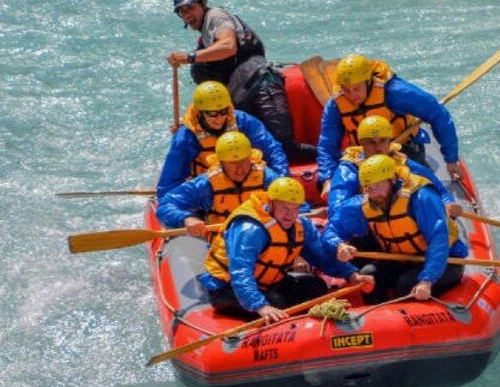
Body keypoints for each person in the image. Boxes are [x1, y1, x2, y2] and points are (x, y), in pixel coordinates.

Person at [167, 0, 316, 163]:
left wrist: (190, 57)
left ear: (203, 3)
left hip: (262, 88)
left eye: (190, 8)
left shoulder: (215, 17)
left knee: (284, 149)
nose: (188, 15)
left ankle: (338, 159)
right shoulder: (204, 40)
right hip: (241, 102)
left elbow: (229, 46)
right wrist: (185, 126)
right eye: (182, 12)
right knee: (245, 155)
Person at [199, 177, 373, 323]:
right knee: (276, 303)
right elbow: (240, 272)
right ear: (272, 204)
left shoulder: (301, 225)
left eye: (294, 208)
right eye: (283, 207)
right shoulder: (250, 230)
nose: (289, 214)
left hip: (269, 283)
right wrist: (260, 306)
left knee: (316, 286)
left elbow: (321, 257)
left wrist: (352, 275)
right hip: (226, 287)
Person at [322, 155, 468, 304]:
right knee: (368, 276)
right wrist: (339, 245)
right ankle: (377, 319)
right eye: (369, 188)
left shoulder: (421, 197)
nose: (374, 194)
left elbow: (439, 240)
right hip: (403, 260)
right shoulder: (365, 203)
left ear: (392, 180)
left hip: (445, 261)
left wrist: (427, 280)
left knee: (406, 284)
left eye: (379, 186)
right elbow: (331, 231)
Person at [317, 53, 461, 195]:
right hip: (365, 154)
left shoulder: (396, 92)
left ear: (368, 82)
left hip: (403, 149)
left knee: (411, 190)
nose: (352, 95)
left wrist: (451, 159)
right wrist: (328, 178)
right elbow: (327, 144)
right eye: (346, 90)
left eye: (357, 89)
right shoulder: (336, 104)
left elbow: (438, 115)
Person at [156, 80, 289, 200]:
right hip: (210, 192)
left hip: (250, 183)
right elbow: (170, 180)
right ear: (199, 112)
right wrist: (176, 211)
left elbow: (272, 150)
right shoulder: (186, 136)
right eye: (211, 113)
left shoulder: (244, 122)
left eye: (223, 111)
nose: (219, 118)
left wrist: (283, 183)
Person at [327, 114, 461, 217]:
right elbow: (337, 209)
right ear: (361, 143)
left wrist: (448, 203)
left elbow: (440, 190)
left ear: (389, 142)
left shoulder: (403, 163)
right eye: (370, 142)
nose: (378, 147)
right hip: (366, 229)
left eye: (382, 141)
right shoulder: (349, 169)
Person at [156, 131, 283, 235]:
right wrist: (186, 218)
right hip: (224, 241)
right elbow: (166, 205)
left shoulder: (266, 176)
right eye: (232, 163)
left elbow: (297, 204)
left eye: (244, 161)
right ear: (221, 163)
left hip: (263, 237)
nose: (240, 169)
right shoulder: (207, 183)